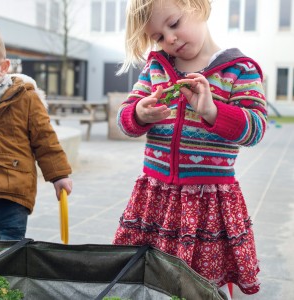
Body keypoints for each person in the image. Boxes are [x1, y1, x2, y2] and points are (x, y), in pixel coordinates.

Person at [113, 0, 267, 298]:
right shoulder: (156, 68)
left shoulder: (240, 70)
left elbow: (256, 129)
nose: (168, 39)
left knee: (203, 283)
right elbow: (124, 118)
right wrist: (139, 114)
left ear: (197, 6)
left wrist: (213, 111)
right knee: (151, 275)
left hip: (208, 200)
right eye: (158, 36)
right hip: (155, 196)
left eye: (173, 24)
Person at [0, 27, 73, 241]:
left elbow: (45, 140)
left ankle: (9, 274)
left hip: (13, 195)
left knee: (7, 253)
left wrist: (59, 175)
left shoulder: (25, 98)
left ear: (3, 68)